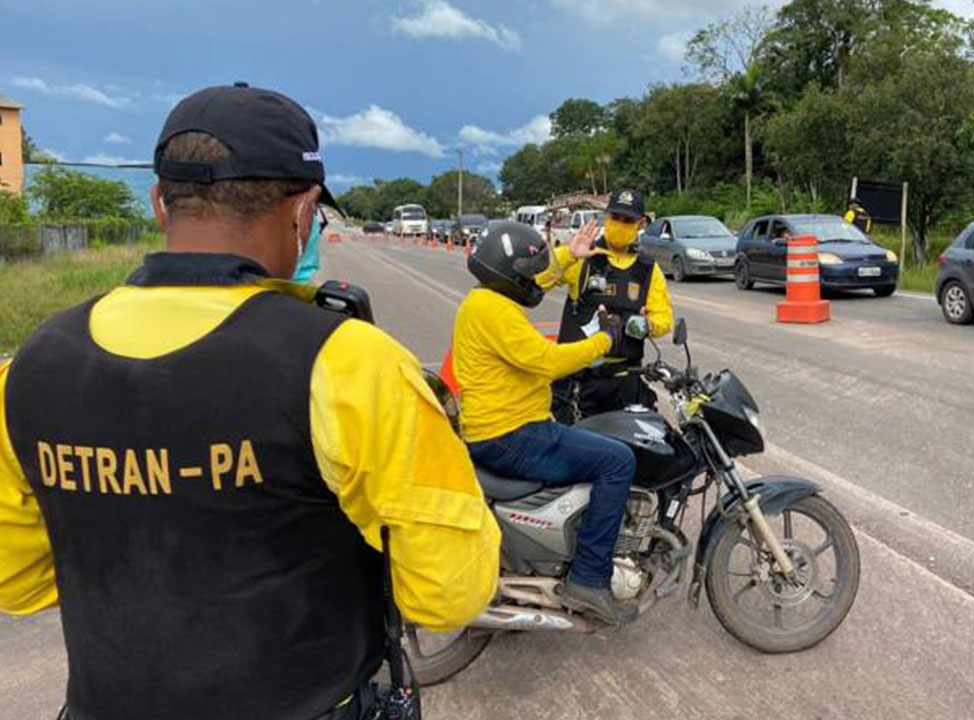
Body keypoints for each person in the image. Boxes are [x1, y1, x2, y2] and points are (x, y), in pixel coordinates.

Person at [0, 83, 500, 720]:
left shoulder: (29, 369)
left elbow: (17, 581)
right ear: (303, 211)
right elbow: (449, 593)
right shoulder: (347, 362)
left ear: (160, 203)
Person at [453, 220, 638, 625]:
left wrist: (567, 255)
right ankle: (589, 580)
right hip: (511, 434)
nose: (534, 281)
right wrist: (605, 340)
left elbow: (531, 281)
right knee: (618, 461)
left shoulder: (487, 300)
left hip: (502, 427)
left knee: (591, 443)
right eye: (526, 272)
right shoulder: (494, 311)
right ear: (509, 274)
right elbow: (547, 361)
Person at [541, 189, 673, 422]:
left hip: (626, 381)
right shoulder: (585, 256)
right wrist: (568, 254)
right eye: (615, 218)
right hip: (580, 382)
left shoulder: (648, 269)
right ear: (606, 217)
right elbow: (538, 281)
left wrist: (645, 325)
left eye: (628, 220)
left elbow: (664, 320)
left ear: (640, 224)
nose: (620, 224)